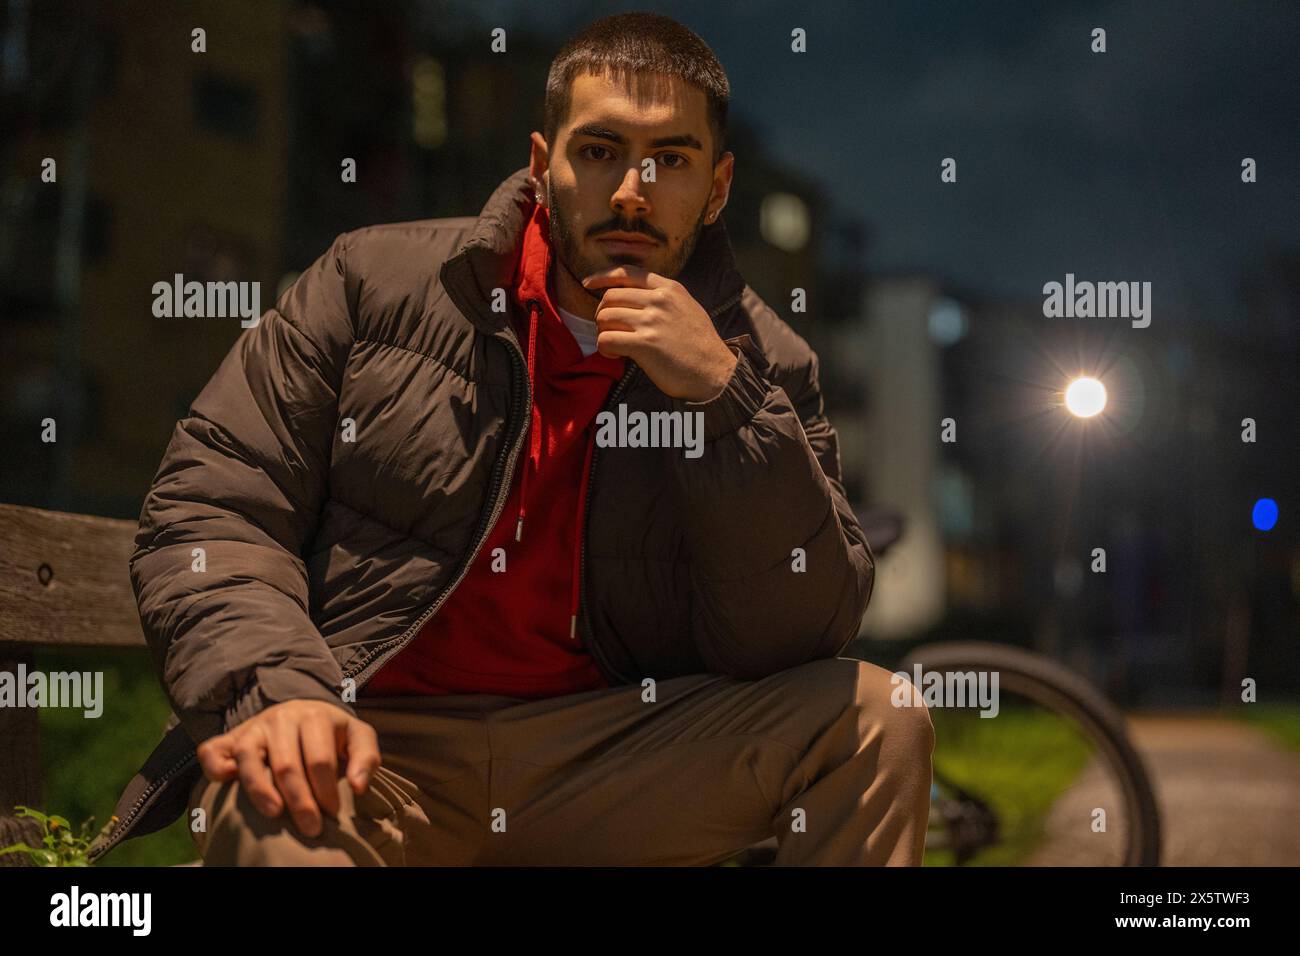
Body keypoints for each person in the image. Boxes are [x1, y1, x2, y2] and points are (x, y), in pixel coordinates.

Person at [94, 11, 933, 867]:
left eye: (670, 160)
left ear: (717, 189)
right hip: (375, 752)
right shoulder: (372, 283)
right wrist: (278, 695)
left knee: (876, 717)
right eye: (600, 150)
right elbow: (212, 511)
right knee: (273, 824)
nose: (631, 192)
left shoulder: (764, 362)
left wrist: (725, 399)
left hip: (613, 765)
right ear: (543, 166)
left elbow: (797, 634)